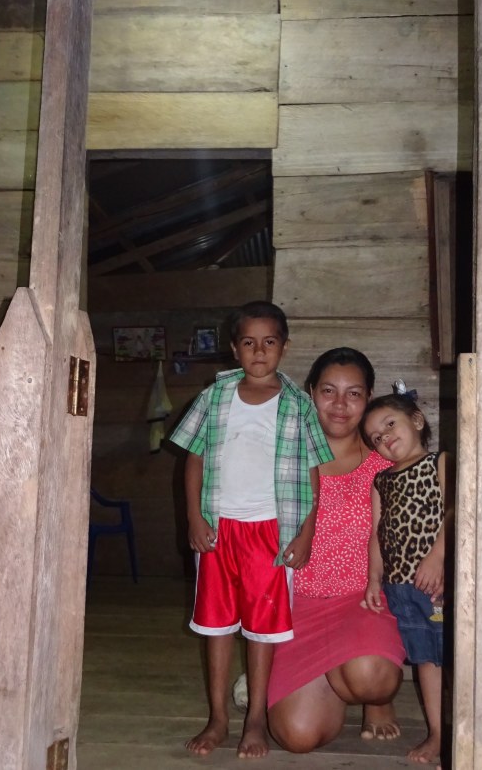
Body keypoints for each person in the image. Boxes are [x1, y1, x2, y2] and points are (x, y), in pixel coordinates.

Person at [171, 301, 333, 759]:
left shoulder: (299, 406)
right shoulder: (214, 397)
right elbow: (194, 457)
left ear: (284, 347)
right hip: (219, 531)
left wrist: (305, 532)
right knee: (216, 626)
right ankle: (218, 717)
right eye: (248, 343)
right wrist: (194, 516)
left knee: (262, 630)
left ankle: (256, 717)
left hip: (272, 533)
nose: (259, 352)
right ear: (233, 349)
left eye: (269, 342)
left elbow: (313, 472)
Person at [268, 347, 406, 752]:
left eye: (354, 393)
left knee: (372, 679)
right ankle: (333, 673)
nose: (340, 405)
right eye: (328, 390)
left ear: (369, 396)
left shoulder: (385, 463)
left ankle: (376, 701)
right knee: (297, 736)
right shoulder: (284, 456)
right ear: (310, 392)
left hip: (364, 602)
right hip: (296, 607)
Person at [361, 392, 454, 765]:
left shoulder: (440, 462)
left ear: (416, 421)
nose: (384, 437)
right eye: (375, 438)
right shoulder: (381, 480)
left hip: (441, 582)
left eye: (389, 425)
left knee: (455, 655)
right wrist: (373, 579)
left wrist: (438, 557)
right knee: (426, 661)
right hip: (400, 588)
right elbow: (376, 534)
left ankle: (469, 726)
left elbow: (454, 509)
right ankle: (437, 732)